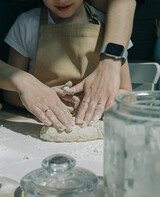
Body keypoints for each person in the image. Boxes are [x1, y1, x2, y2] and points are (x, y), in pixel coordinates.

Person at [3, 0, 135, 129]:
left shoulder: (112, 26)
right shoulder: (26, 24)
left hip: (95, 124)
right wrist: (44, 100)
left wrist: (95, 102)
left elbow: (126, 92)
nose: (61, 1)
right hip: (40, 123)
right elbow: (10, 93)